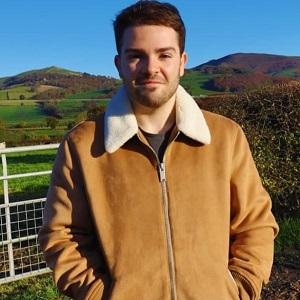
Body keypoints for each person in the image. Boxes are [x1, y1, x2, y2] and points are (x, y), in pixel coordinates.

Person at [38, 1, 279, 299]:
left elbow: (255, 224)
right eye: (136, 56)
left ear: (182, 61)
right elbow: (62, 235)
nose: (151, 67)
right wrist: (101, 295)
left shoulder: (226, 137)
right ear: (118, 64)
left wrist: (240, 288)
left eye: (164, 54)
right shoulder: (83, 145)